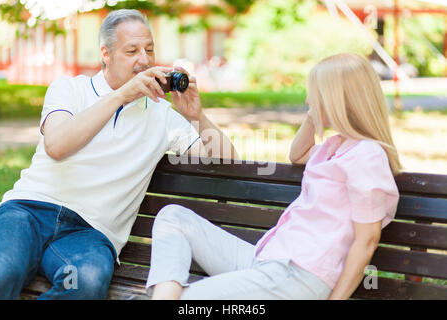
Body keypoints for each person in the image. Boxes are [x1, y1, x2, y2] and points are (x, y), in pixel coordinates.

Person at [0, 9, 236, 300]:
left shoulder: (163, 116)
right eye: (131, 50)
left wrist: (197, 116)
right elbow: (57, 145)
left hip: (88, 235)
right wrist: (123, 95)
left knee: (84, 283)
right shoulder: (70, 88)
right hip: (28, 212)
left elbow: (227, 164)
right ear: (105, 54)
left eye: (149, 49)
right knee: (2, 271)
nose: (144, 60)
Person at [146, 53, 402, 300]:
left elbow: (367, 241)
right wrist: (314, 115)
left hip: (299, 276)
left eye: (314, 94)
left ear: (336, 99)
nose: (306, 101)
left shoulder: (367, 155)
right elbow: (297, 154)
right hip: (267, 260)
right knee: (173, 217)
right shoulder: (336, 146)